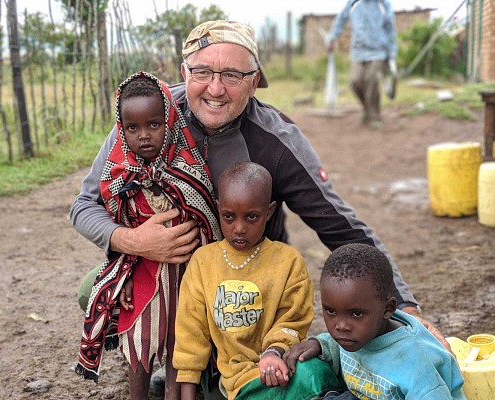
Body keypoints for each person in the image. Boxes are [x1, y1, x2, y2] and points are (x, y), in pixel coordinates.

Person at [70, 19, 448, 395]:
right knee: (96, 288)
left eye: (233, 75)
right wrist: (132, 241)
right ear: (185, 72)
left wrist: (407, 308)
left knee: (250, 363)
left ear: (255, 81)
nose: (215, 89)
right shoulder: (149, 114)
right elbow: (84, 204)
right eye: (202, 72)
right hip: (169, 268)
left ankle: (219, 367)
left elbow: (339, 225)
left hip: (246, 282)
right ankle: (172, 357)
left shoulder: (276, 140)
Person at [74, 71, 222, 400]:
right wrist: (124, 266)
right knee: (138, 343)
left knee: (178, 343)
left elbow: (208, 217)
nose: (143, 136)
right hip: (140, 272)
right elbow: (108, 216)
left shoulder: (188, 164)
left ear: (168, 121)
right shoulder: (119, 172)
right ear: (121, 128)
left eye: (153, 125)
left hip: (187, 274)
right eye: (132, 128)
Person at [173, 161, 342, 400]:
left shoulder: (287, 261)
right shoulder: (203, 263)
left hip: (285, 364)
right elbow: (191, 331)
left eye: (251, 217)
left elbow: (293, 319)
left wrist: (273, 353)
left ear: (269, 212)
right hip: (238, 378)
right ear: (218, 208)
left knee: (315, 373)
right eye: (228, 217)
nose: (239, 228)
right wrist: (188, 393)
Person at [283, 243, 466, 399]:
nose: (341, 326)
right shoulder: (359, 333)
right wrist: (320, 344)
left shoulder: (416, 364)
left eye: (355, 314)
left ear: (388, 309)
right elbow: (338, 345)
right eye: (330, 311)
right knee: (306, 368)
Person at [326, 0, 397, 128]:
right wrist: (332, 38)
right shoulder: (353, 3)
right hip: (357, 51)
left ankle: (375, 116)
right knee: (355, 81)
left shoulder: (383, 4)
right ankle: (367, 109)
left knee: (371, 80)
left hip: (378, 51)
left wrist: (391, 52)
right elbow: (341, 19)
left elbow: (390, 29)